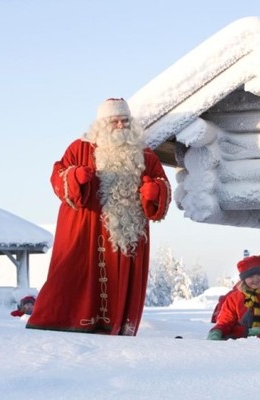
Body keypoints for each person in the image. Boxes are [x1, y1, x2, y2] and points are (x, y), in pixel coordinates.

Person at [27, 98, 170, 336]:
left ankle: (114, 327)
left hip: (127, 235)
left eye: (125, 121)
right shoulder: (79, 148)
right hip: (86, 231)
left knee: (118, 284)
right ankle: (57, 325)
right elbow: (57, 176)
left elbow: (163, 186)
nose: (121, 127)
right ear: (102, 124)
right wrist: (74, 177)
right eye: (115, 122)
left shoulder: (145, 155)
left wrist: (155, 191)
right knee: (72, 276)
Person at [207, 255, 260, 340]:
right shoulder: (234, 299)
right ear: (244, 279)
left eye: (259, 275)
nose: (256, 279)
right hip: (239, 341)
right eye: (251, 277)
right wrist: (217, 331)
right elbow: (225, 322)